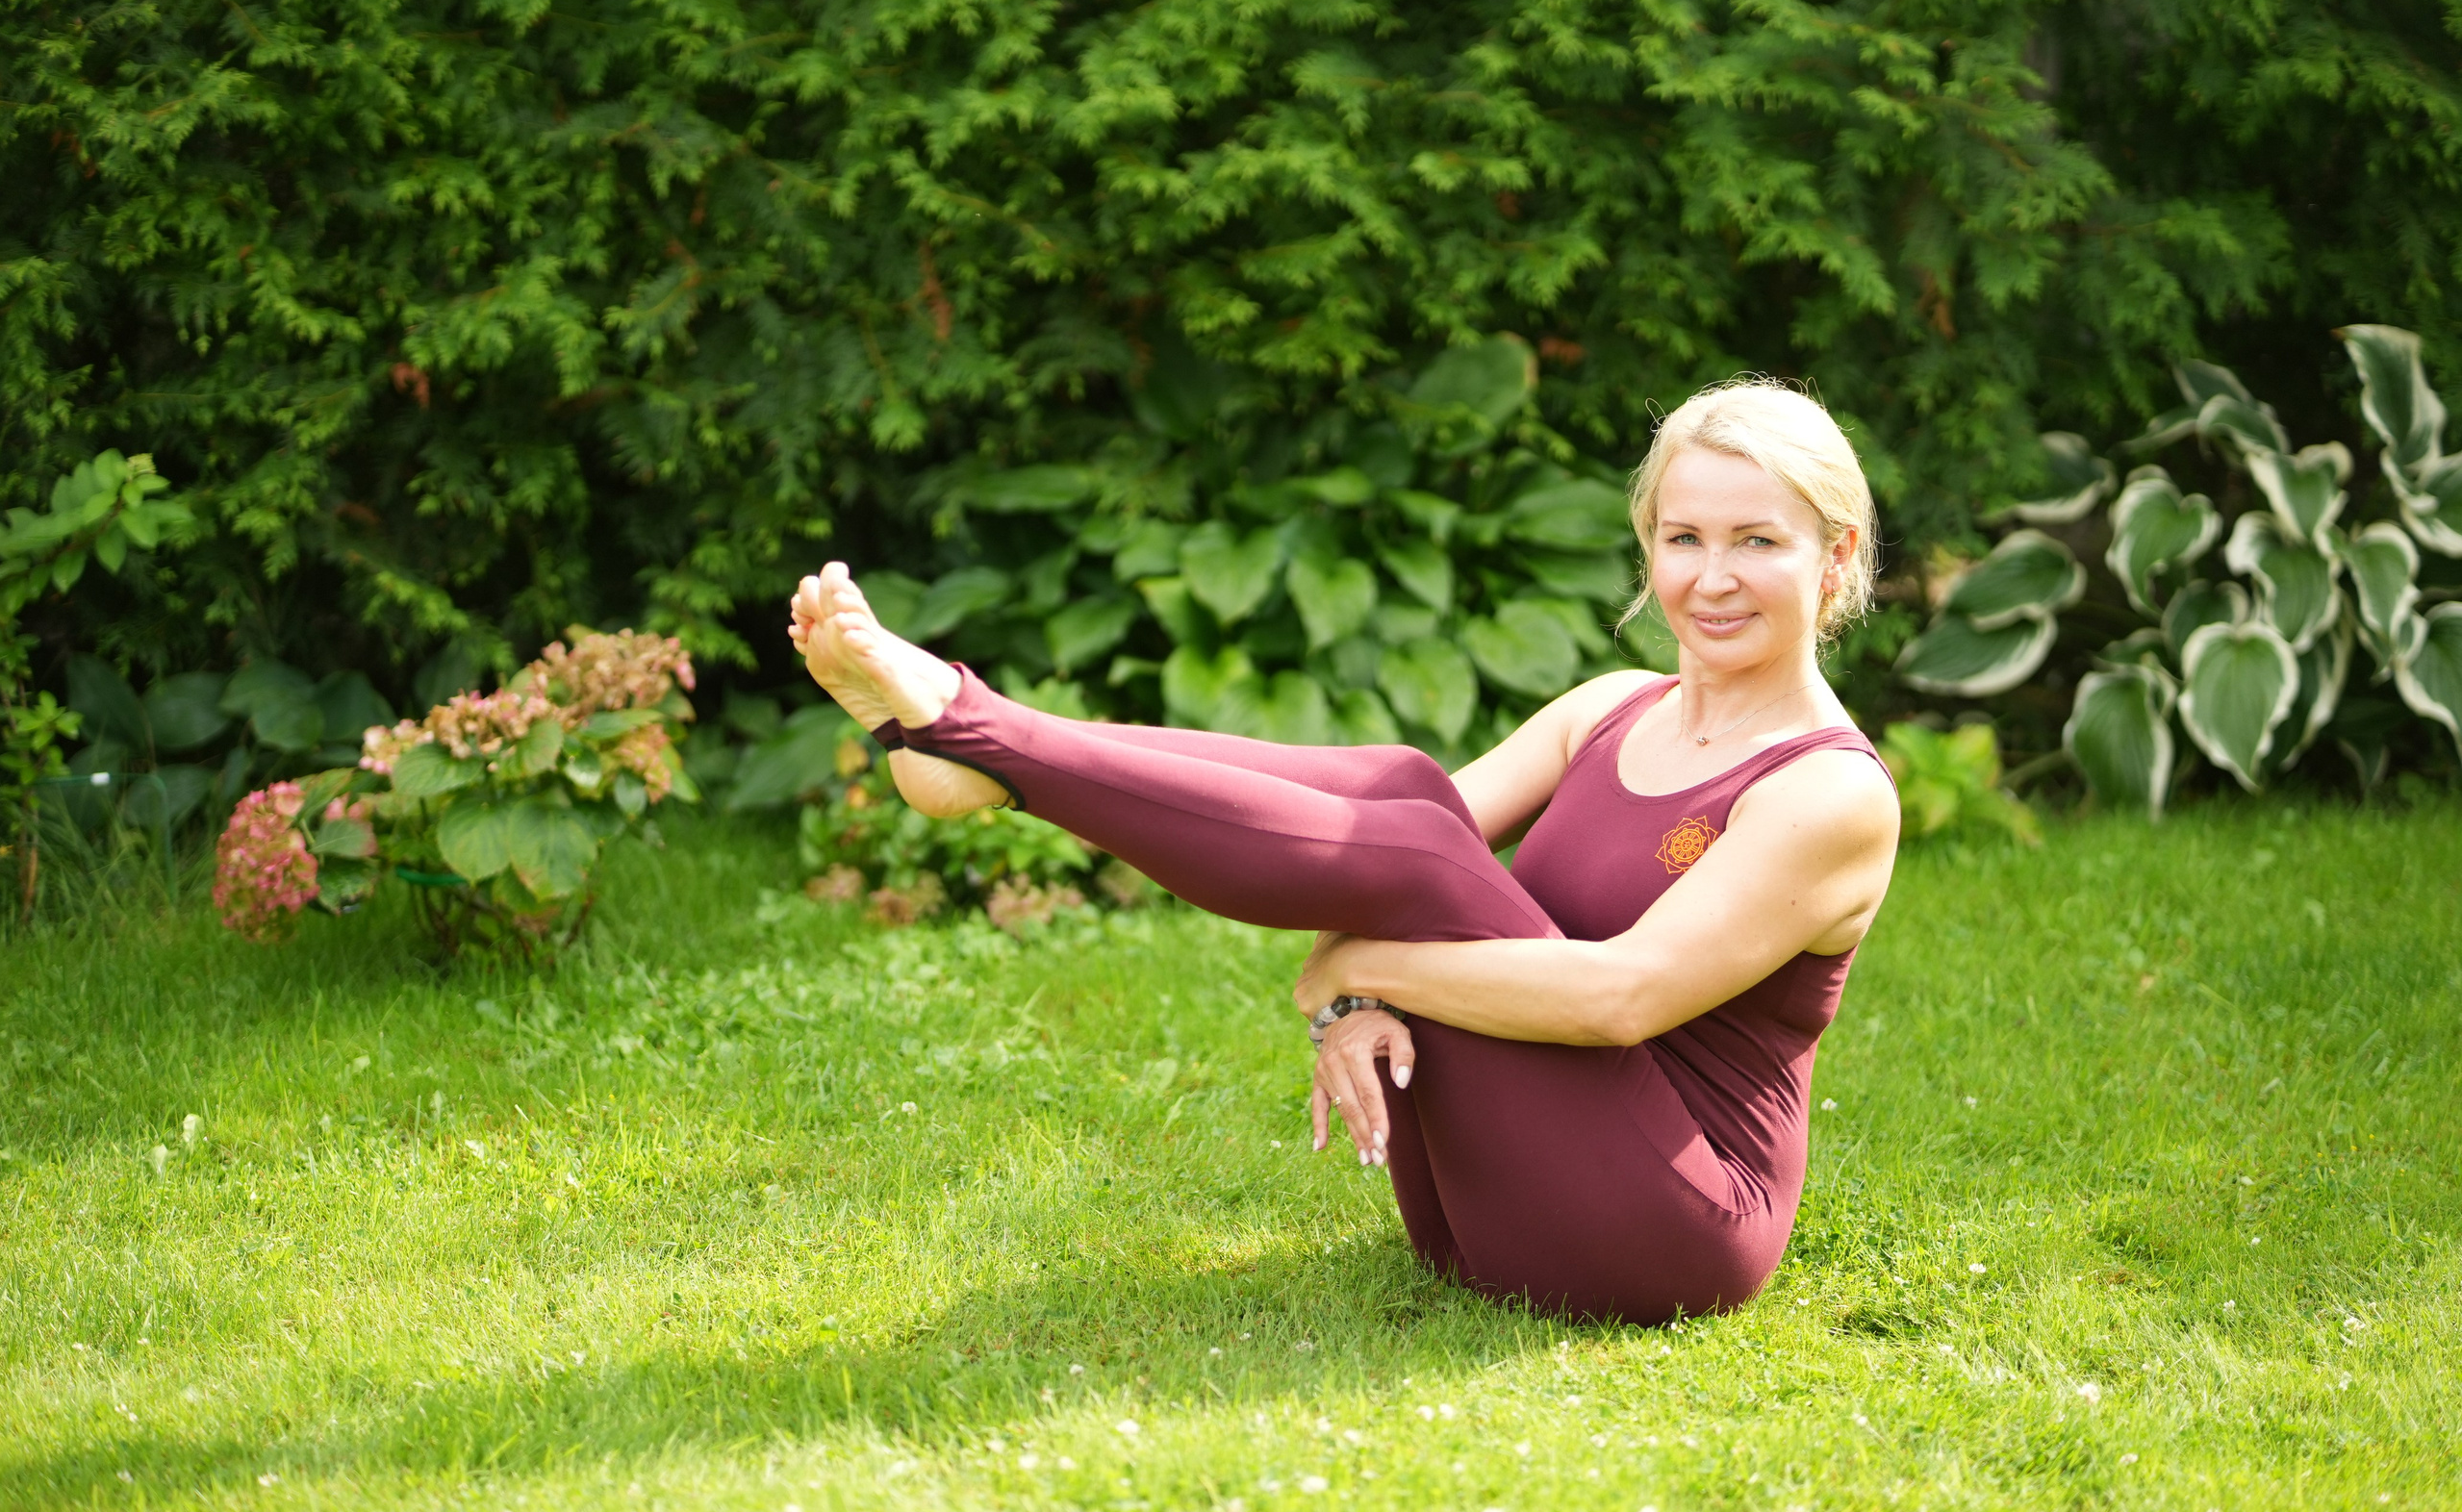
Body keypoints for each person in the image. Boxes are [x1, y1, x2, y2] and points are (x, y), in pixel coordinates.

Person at [786, 378, 1900, 1324]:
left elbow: (1621, 997)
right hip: (1479, 1220)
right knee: (1413, 793)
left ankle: (982, 739)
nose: (1712, 578)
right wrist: (1344, 1004)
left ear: (1834, 558)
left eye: (1757, 542)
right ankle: (987, 747)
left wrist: (1360, 968)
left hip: (1669, 1232)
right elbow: (1364, 857)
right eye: (1683, 538)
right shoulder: (1612, 706)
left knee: (1421, 837)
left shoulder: (1828, 791)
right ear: (1649, 546)